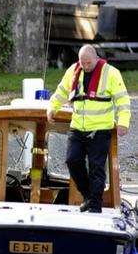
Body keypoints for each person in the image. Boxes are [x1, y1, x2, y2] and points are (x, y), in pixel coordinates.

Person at [47, 44, 131, 213]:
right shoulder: (74, 70)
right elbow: (62, 91)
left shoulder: (111, 73)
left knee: (96, 168)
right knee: (72, 160)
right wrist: (52, 107)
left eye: (88, 63)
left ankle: (95, 206)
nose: (85, 66)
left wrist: (123, 122)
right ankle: (88, 196)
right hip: (78, 127)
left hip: (100, 129)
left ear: (96, 58)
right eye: (82, 63)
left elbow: (123, 100)